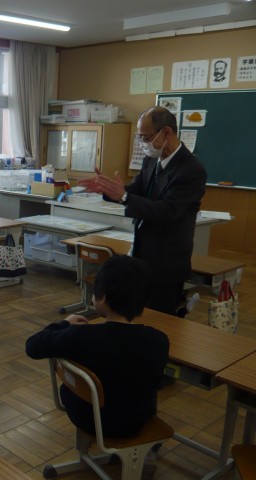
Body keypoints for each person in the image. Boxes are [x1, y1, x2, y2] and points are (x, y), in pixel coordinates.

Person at [79, 106, 207, 316]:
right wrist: (109, 190)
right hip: (141, 253)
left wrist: (124, 196)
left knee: (160, 319)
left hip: (166, 260)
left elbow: (167, 211)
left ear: (166, 133)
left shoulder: (192, 170)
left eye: (145, 137)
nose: (142, 143)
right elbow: (137, 190)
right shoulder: (151, 159)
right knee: (137, 315)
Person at [26, 255, 169, 439]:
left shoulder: (80, 335)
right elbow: (156, 382)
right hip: (134, 423)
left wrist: (65, 323)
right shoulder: (159, 341)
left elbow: (33, 345)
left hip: (85, 417)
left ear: (102, 298)